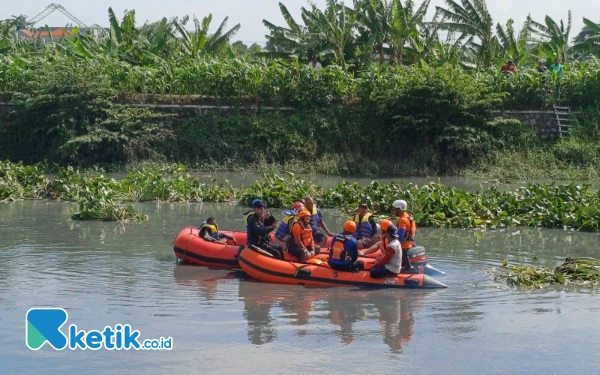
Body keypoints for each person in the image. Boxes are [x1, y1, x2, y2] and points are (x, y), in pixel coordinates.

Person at [392, 199, 417, 271]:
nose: (394, 211)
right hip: (411, 244)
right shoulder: (409, 217)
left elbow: (400, 236)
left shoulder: (403, 220)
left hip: (404, 246)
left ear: (400, 209)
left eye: (395, 209)